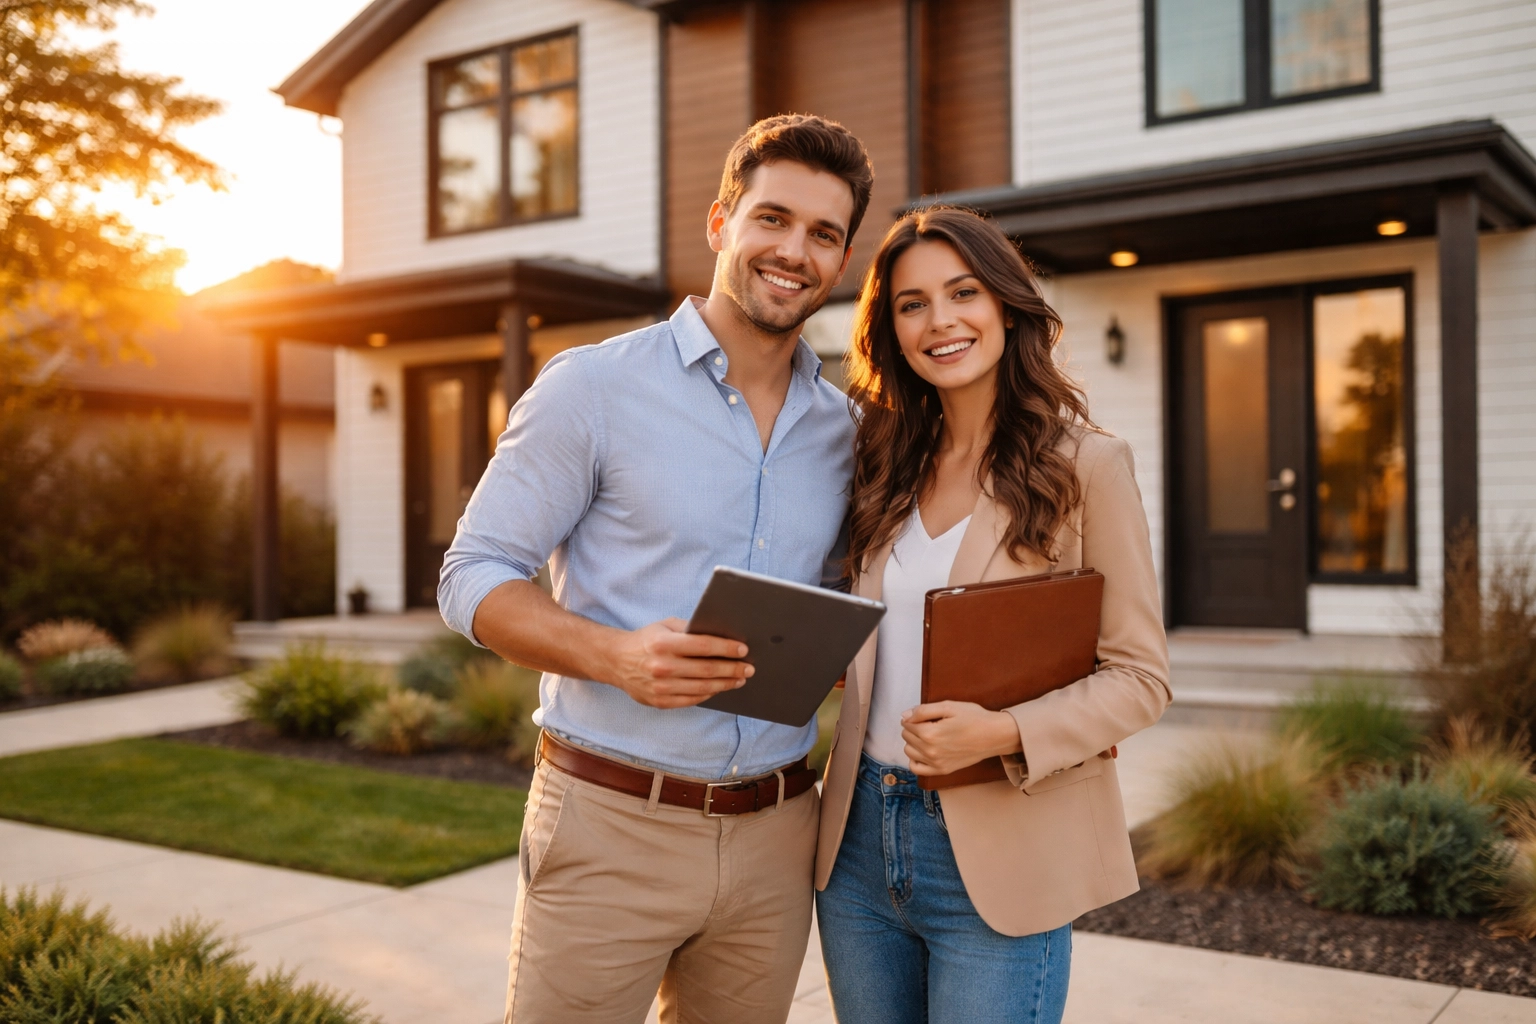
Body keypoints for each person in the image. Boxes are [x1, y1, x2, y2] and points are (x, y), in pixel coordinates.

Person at [437, 114, 874, 1024]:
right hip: (609, 825)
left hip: (778, 837)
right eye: (772, 219)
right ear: (721, 222)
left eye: (823, 234)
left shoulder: (850, 432)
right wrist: (615, 656)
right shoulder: (591, 389)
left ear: (842, 260)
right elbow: (473, 574)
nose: (794, 251)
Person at [813, 207, 1172, 1024]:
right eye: (912, 304)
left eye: (962, 292)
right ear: (891, 329)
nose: (940, 321)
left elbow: (1141, 678)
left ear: (1006, 306)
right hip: (860, 842)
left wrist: (1003, 734)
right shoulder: (880, 465)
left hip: (1004, 842)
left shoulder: (1087, 466)